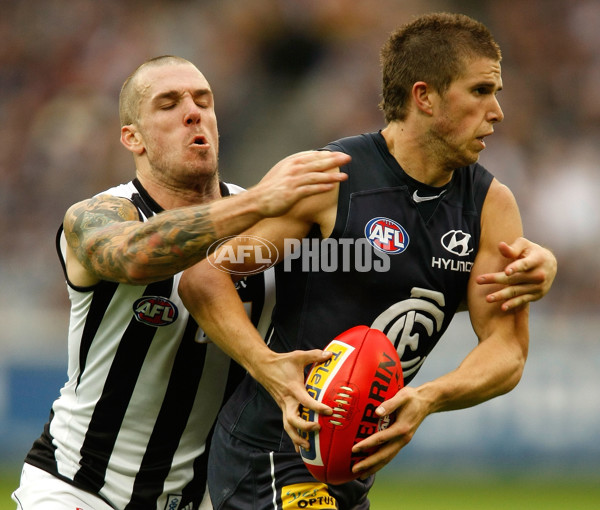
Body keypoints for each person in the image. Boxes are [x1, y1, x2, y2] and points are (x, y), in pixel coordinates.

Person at [178, 13, 556, 510]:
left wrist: (429, 397)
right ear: (425, 96)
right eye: (481, 91)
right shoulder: (332, 180)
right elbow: (206, 277)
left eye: (497, 91)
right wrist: (270, 369)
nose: (497, 111)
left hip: (350, 466)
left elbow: (507, 350)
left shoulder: (490, 205)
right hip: (271, 453)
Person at [11, 55, 352, 510]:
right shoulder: (97, 216)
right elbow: (135, 256)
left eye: (203, 100)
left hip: (205, 499)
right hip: (79, 488)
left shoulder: (272, 224)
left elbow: (365, 268)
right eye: (168, 104)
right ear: (133, 138)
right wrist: (261, 203)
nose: (193, 111)